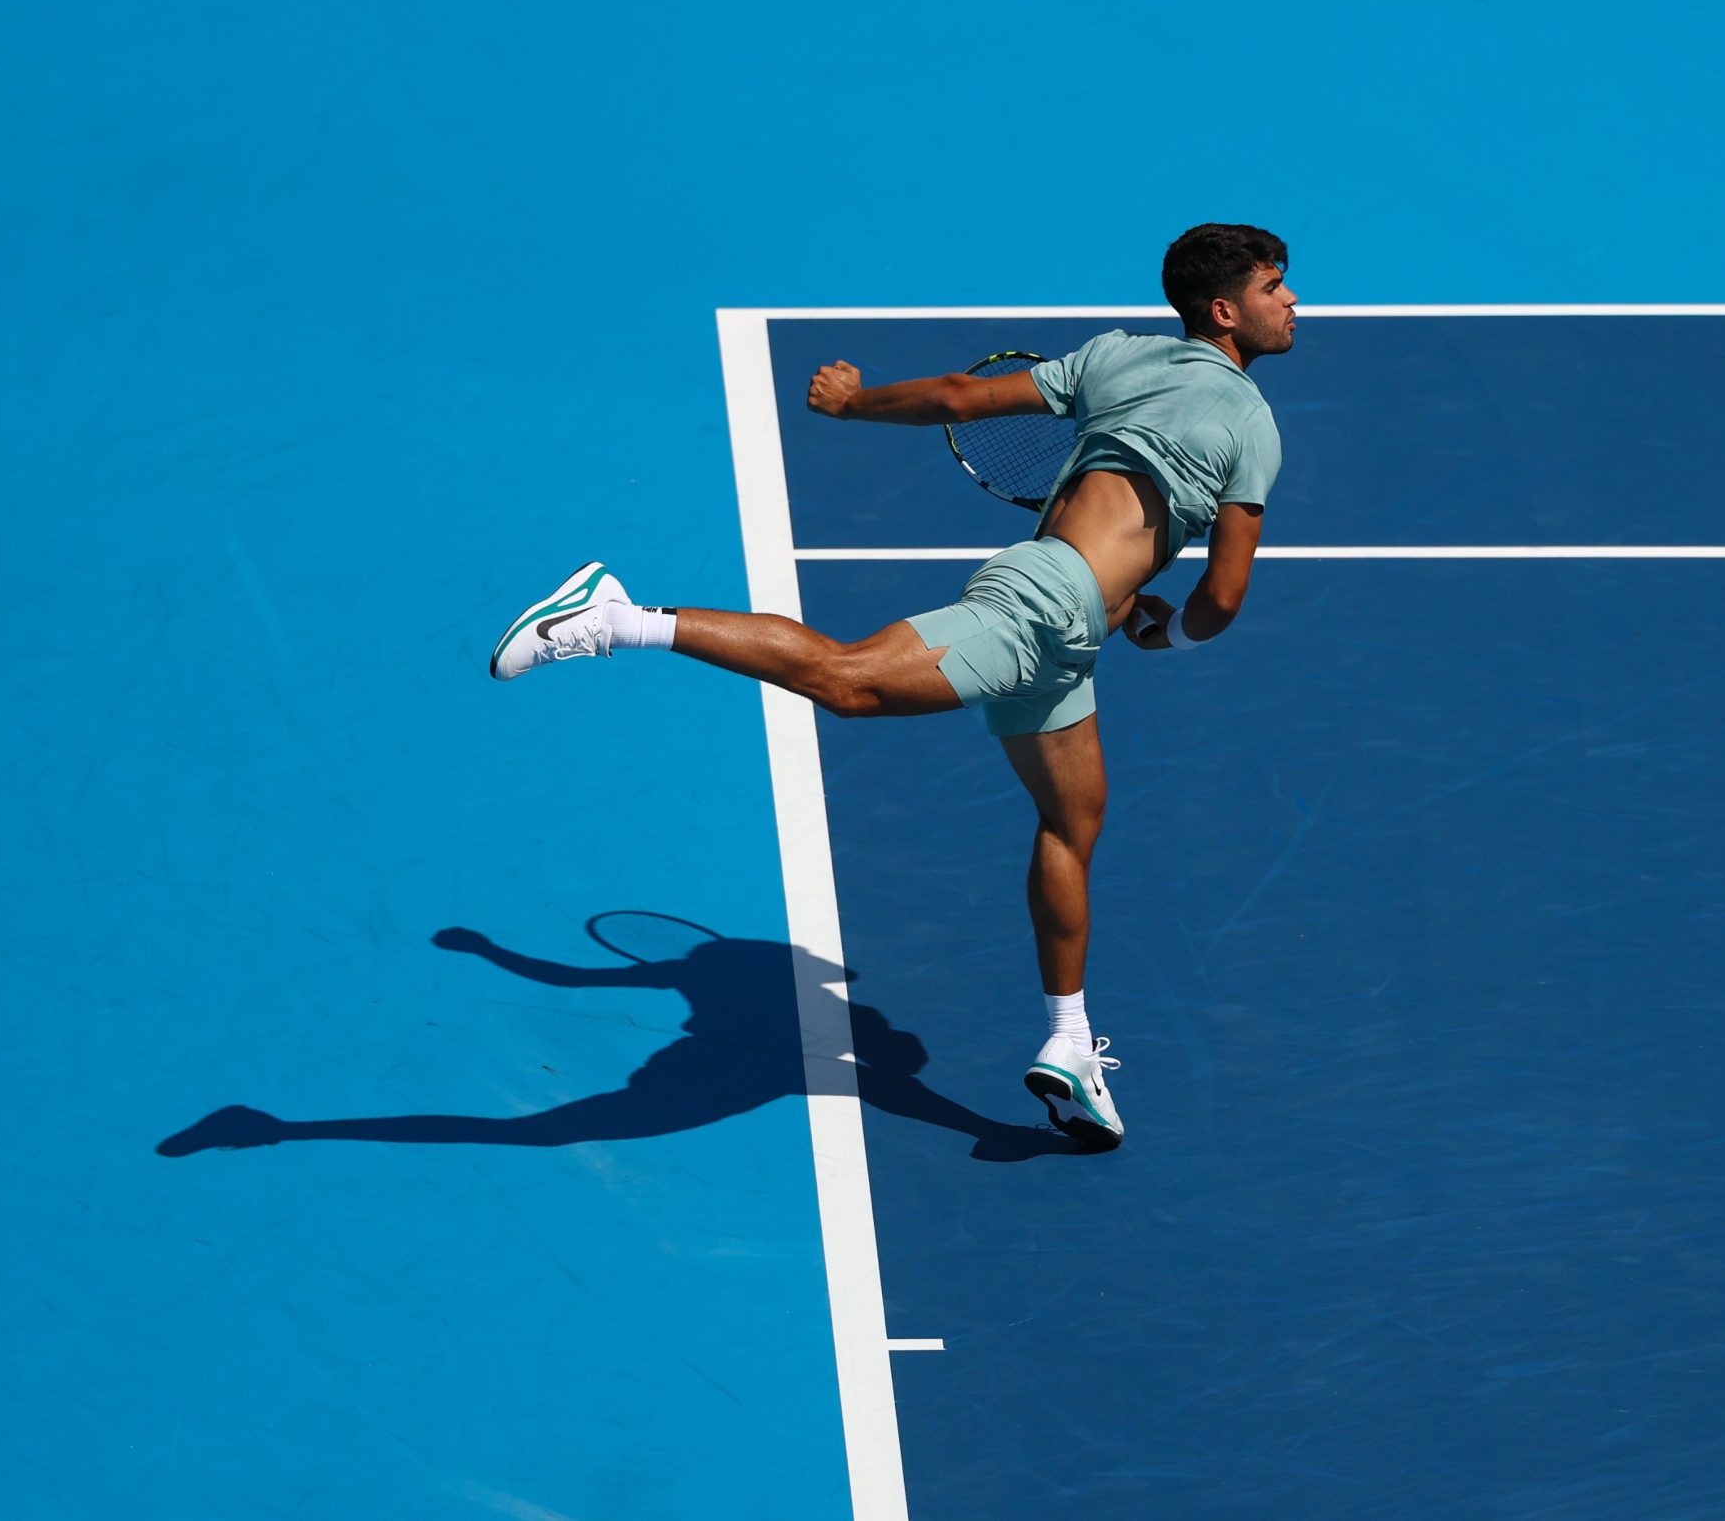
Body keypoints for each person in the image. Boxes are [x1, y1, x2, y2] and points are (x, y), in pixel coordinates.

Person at [486, 223, 1294, 1149]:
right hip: (1044, 605)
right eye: (1275, 286)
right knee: (848, 681)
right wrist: (1171, 631)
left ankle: (1070, 1042)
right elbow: (1222, 596)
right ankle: (616, 616)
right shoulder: (1251, 426)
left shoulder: (1119, 356)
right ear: (1225, 310)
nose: (1292, 301)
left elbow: (958, 396)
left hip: (1065, 633)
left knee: (1073, 823)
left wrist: (850, 403)